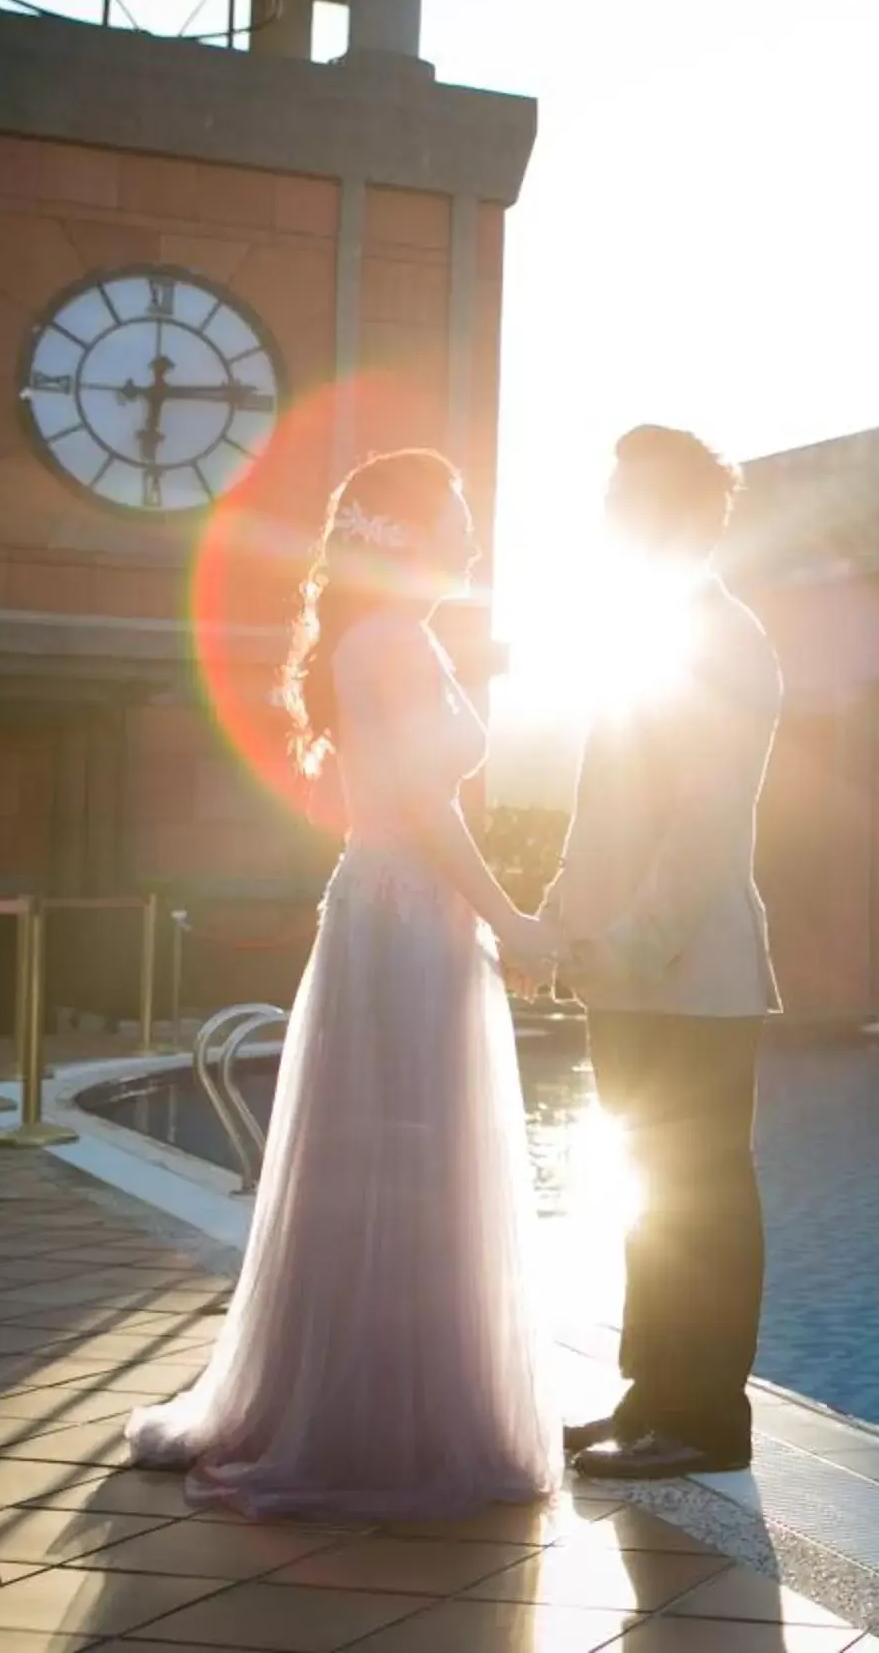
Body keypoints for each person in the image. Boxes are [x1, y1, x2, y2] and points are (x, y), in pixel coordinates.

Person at [127, 449, 565, 1520]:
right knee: (407, 1156)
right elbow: (422, 802)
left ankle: (388, 1400)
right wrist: (512, 915)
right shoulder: (394, 643)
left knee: (397, 1157)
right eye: (459, 510)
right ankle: (385, 1419)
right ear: (410, 531)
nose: (472, 529)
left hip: (393, 905)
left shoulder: (394, 639)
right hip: (409, 911)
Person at [541, 424, 784, 1480]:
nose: (607, 516)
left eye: (625, 498)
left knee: (701, 1196)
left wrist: (626, 944)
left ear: (682, 513)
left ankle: (705, 1418)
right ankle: (651, 1394)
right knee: (649, 1186)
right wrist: (556, 923)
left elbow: (704, 823)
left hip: (692, 975)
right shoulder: (641, 632)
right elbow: (603, 816)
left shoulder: (727, 640)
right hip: (628, 972)